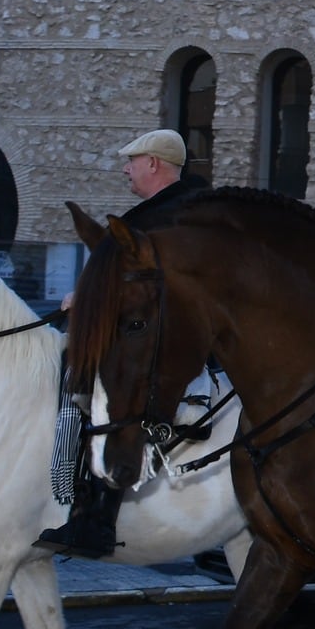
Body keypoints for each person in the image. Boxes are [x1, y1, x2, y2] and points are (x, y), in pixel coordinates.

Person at [36, 129, 210, 558]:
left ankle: (97, 518)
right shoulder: (158, 214)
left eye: (132, 161)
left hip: (161, 341)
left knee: (102, 392)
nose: (125, 169)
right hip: (147, 332)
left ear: (154, 163)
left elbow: (151, 288)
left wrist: (92, 298)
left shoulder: (176, 216)